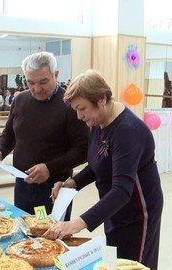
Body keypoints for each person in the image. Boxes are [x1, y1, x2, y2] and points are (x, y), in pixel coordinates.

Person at [44, 69, 163, 270]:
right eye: (75, 110)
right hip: (113, 207)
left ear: (101, 99)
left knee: (133, 264)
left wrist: (77, 223)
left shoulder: (127, 131)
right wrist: (72, 184)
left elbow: (122, 189)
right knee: (114, 260)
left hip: (137, 212)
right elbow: (101, 162)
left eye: (82, 108)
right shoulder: (100, 121)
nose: (79, 116)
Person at [0, 52, 89, 215]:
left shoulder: (70, 104)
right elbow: (10, 133)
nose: (36, 88)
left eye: (43, 82)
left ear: (56, 75)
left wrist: (49, 168)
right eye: (30, 82)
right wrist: (0, 151)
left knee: (52, 237)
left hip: (55, 187)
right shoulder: (20, 100)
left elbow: (83, 149)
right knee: (22, 235)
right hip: (22, 184)